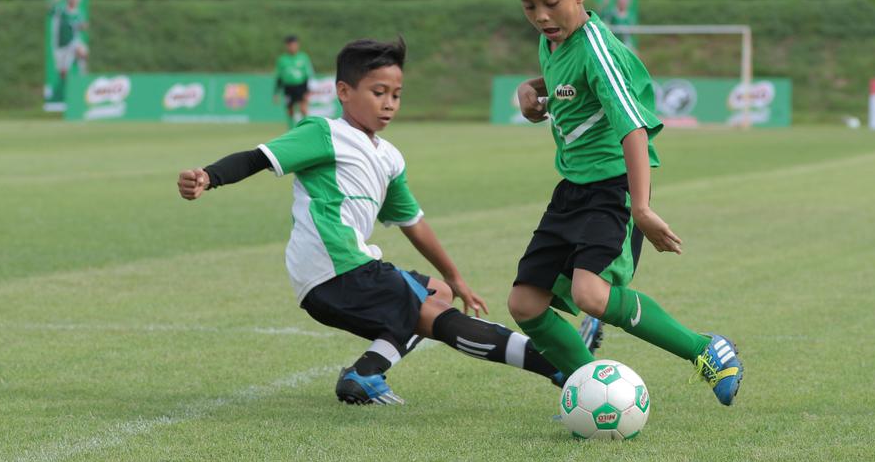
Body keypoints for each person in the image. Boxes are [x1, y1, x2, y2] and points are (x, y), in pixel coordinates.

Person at [179, 38, 601, 405]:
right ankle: (559, 365)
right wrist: (208, 176)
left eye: (396, 94)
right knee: (433, 316)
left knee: (435, 293)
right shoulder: (323, 133)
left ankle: (366, 372)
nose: (389, 103)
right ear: (344, 91)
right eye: (378, 92)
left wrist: (456, 279)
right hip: (338, 270)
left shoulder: (388, 156)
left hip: (344, 273)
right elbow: (256, 158)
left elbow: (413, 222)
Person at [497, 0, 744, 406]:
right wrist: (530, 90)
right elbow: (559, 79)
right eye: (529, 6)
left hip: (613, 188)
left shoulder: (597, 49)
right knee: (524, 304)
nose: (542, 16)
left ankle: (706, 349)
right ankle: (591, 389)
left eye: (552, 1)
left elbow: (633, 128)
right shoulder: (554, 41)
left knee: (591, 295)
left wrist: (643, 209)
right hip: (571, 189)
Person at [49, 0, 88, 102]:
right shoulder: (61, 10)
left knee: (82, 51)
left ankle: (84, 81)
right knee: (63, 72)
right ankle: (70, 93)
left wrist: (83, 26)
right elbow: (49, 11)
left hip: (73, 43)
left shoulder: (79, 13)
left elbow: (82, 25)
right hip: (60, 46)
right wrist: (53, 0)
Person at [273, 35, 316, 128]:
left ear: (297, 45)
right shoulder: (282, 59)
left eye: (294, 45)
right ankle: (291, 130)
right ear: (287, 46)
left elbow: (309, 74)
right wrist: (276, 93)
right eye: (290, 45)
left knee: (303, 109)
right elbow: (279, 77)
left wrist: (308, 89)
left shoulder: (303, 57)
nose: (292, 47)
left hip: (301, 86)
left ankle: (306, 128)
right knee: (290, 111)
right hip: (288, 87)